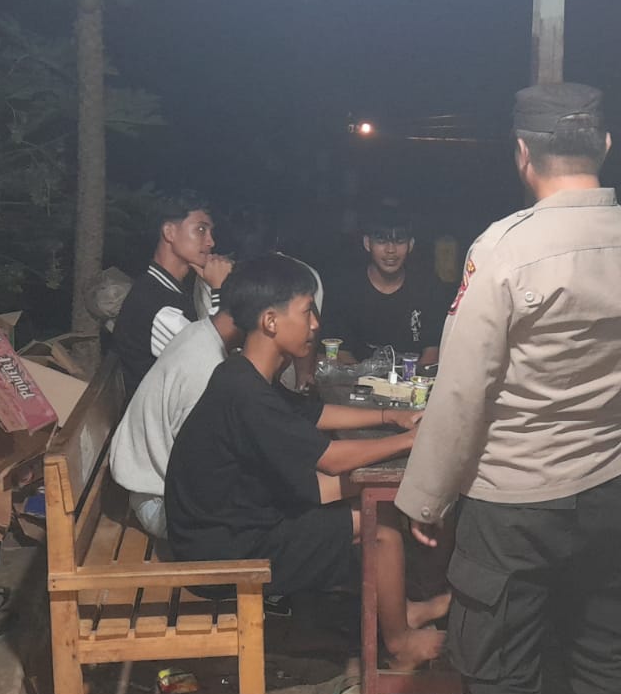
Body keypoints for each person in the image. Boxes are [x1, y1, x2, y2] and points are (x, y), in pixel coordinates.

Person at [397, 83, 621, 694]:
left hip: (515, 500)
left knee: (503, 673)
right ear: (604, 146)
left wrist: (425, 498)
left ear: (522, 155)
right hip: (613, 487)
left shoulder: (505, 250)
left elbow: (463, 390)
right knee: (612, 649)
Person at [165, 255, 449, 668]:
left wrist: (391, 417)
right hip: (224, 549)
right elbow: (331, 459)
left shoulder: (242, 373)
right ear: (270, 321)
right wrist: (409, 440)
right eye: (306, 311)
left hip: (236, 520)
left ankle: (400, 612)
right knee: (381, 527)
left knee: (372, 500)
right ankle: (400, 643)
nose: (316, 324)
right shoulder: (246, 394)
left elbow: (314, 414)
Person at [108, 304, 242, 541]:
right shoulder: (206, 370)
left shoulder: (199, 331)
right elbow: (202, 477)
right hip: (160, 506)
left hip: (148, 489)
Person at [108, 192, 233, 391]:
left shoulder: (170, 290)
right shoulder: (156, 305)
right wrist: (218, 290)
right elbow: (213, 365)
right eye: (201, 230)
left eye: (210, 232)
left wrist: (211, 286)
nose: (211, 242)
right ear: (169, 233)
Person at [321, 205, 448, 367]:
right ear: (367, 243)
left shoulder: (428, 287)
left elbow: (432, 353)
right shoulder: (344, 288)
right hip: (356, 378)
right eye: (381, 241)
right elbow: (340, 352)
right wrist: (366, 379)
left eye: (399, 241)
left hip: (412, 379)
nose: (390, 250)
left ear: (410, 245)